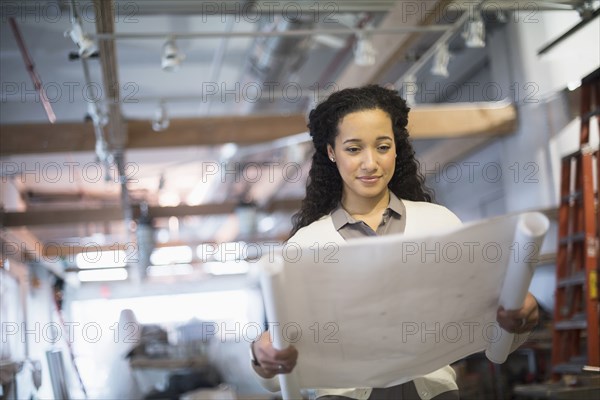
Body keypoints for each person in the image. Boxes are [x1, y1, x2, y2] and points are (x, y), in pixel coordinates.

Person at [250, 85, 539, 399]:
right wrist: (263, 356)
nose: (370, 162)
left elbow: (494, 330)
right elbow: (273, 374)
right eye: (353, 148)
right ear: (331, 152)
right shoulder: (304, 246)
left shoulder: (438, 224)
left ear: (396, 148)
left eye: (383, 146)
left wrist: (520, 318)